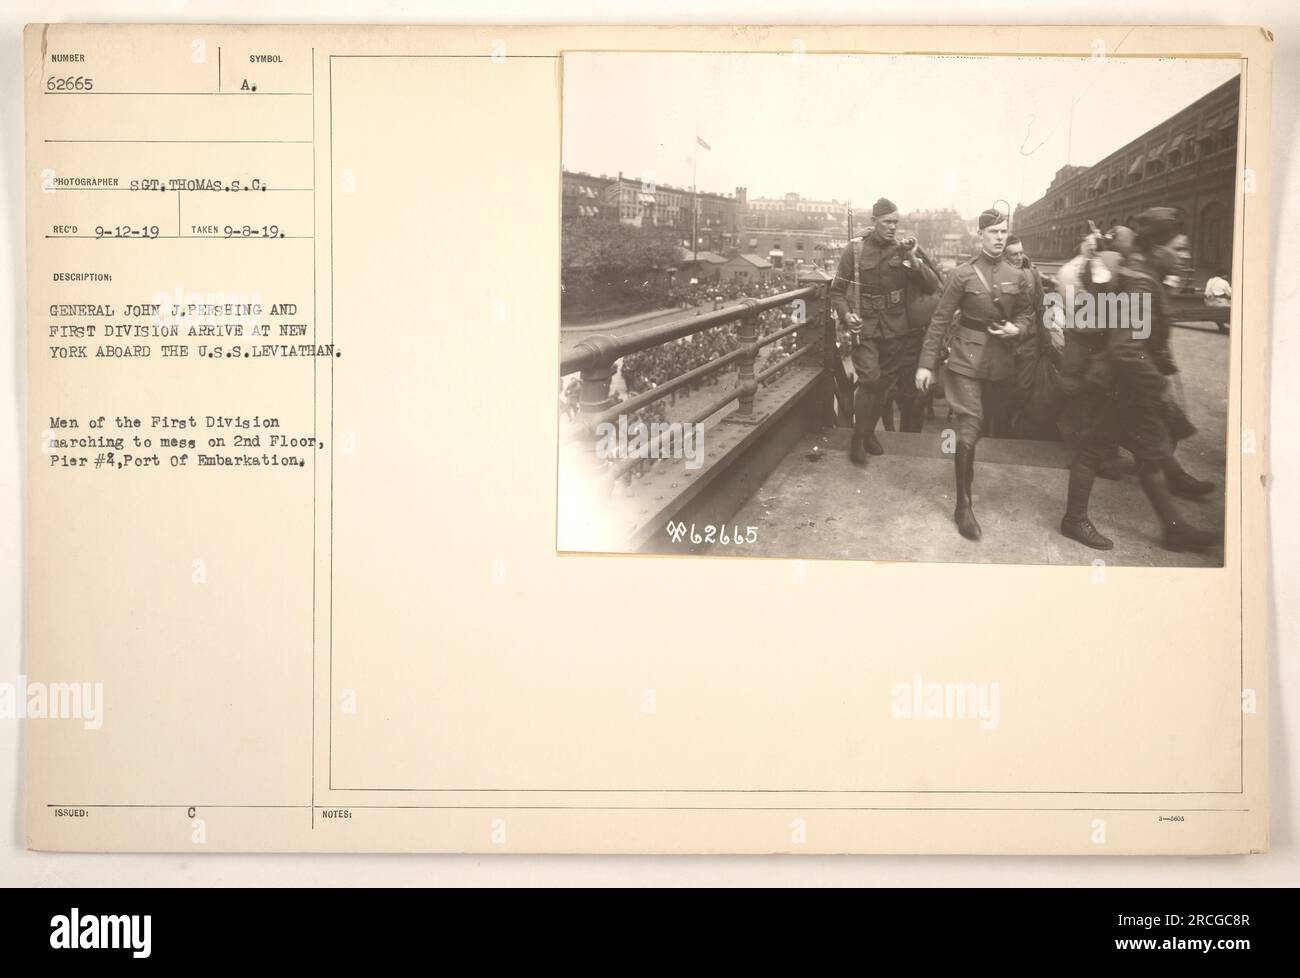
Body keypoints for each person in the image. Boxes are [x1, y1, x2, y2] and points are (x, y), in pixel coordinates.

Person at [1057, 207, 1218, 552]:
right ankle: (1074, 520)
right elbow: (1125, 348)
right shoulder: (1140, 282)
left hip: (1127, 385)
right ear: (1157, 249)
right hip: (1123, 386)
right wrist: (1157, 382)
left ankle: (1174, 528)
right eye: (1178, 249)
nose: (1185, 256)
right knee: (1097, 451)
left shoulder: (1144, 277)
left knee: (1148, 455)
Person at [916, 208, 1033, 541]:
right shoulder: (963, 275)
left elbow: (1027, 314)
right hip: (966, 358)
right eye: (992, 232)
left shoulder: (1018, 275)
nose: (998, 237)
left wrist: (1018, 329)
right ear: (979, 235)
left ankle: (965, 471)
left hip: (1001, 363)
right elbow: (940, 320)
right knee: (970, 422)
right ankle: (963, 505)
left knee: (986, 420)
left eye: (1002, 232)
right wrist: (926, 364)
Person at [830, 197, 939, 464]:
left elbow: (931, 285)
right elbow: (837, 291)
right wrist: (846, 315)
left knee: (885, 385)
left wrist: (914, 259)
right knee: (869, 379)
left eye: (896, 222)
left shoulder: (904, 250)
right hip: (864, 326)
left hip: (896, 329)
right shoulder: (854, 251)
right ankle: (858, 438)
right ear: (874, 222)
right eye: (887, 222)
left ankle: (868, 432)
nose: (892, 227)